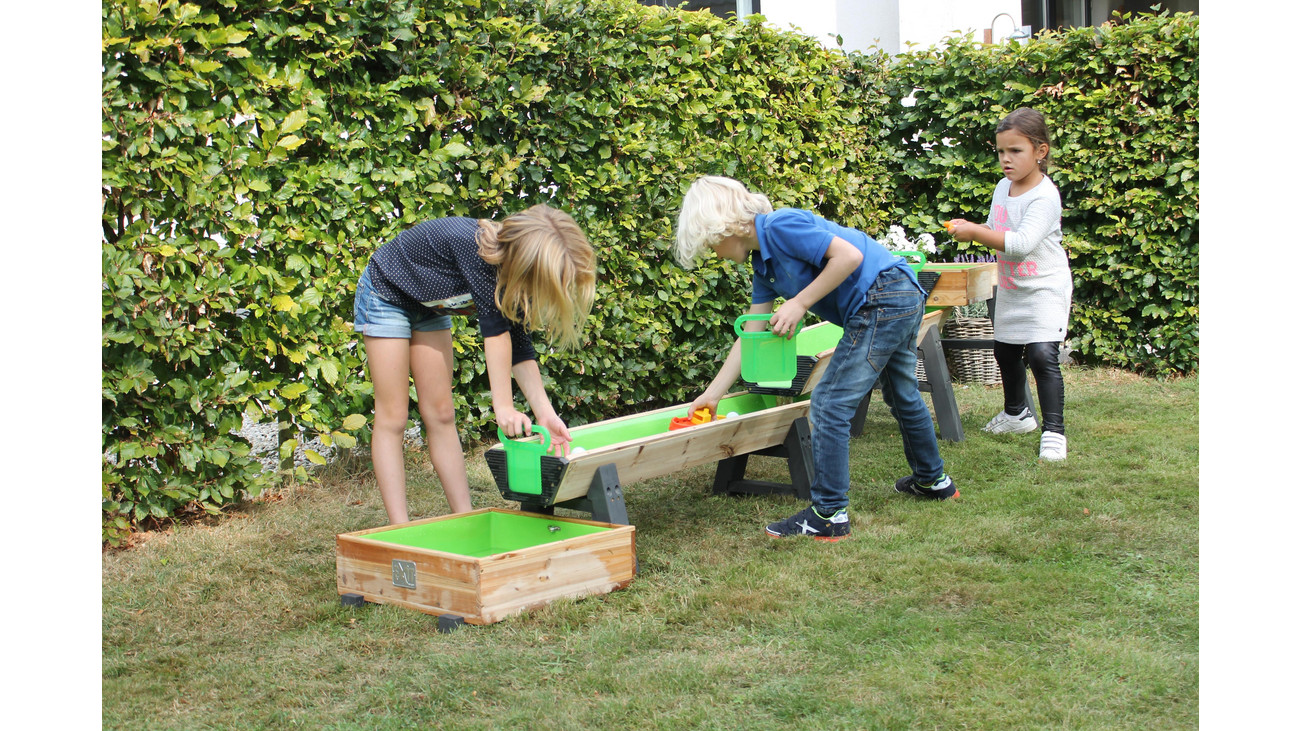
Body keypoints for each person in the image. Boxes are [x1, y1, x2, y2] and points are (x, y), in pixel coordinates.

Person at [675, 176, 957, 543]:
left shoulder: (781, 225)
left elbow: (849, 257)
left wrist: (799, 302)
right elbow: (751, 334)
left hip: (883, 297)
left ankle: (829, 513)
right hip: (899, 294)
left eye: (711, 243)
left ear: (725, 226)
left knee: (828, 402)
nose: (714, 252)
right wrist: (712, 394)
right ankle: (933, 481)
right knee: (901, 394)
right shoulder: (764, 266)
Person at [353, 205, 596, 524]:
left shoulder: (512, 279)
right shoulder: (477, 251)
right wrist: (504, 408)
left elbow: (519, 347)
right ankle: (400, 528)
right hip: (387, 292)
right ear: (525, 261)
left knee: (441, 413)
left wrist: (545, 414)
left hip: (428, 307)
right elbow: (495, 335)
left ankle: (463, 518)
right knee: (394, 416)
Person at [946, 107, 1071, 462]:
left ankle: (1054, 431)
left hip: (1045, 286)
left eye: (1015, 151)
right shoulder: (1003, 188)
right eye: (1001, 151)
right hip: (1014, 285)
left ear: (1040, 151)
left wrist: (976, 233)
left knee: (1042, 354)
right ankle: (1017, 414)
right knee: (1004, 351)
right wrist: (971, 227)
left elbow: (1019, 243)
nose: (1006, 159)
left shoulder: (1044, 196)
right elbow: (994, 228)